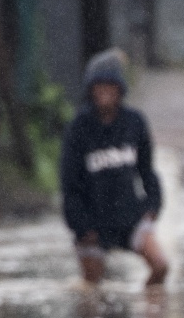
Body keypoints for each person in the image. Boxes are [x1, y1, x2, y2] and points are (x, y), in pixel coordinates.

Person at [61, 50, 170, 286]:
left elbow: (147, 171)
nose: (104, 92)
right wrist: (81, 227)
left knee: (161, 267)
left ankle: (147, 309)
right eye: (98, 86)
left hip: (130, 217)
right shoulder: (78, 128)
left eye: (109, 86)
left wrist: (152, 207)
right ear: (90, 90)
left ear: (120, 88)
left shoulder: (134, 122)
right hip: (92, 224)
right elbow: (69, 184)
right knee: (92, 291)